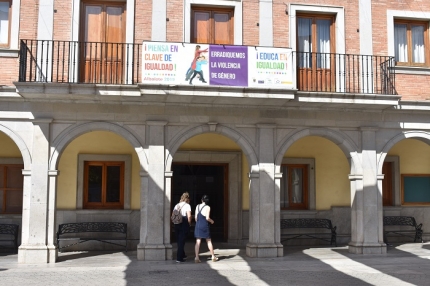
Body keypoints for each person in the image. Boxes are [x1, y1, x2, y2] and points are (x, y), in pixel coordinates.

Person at [194, 194, 218, 262]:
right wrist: (212, 221)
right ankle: (213, 256)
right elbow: (207, 218)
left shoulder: (197, 206)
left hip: (198, 225)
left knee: (198, 241)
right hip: (204, 225)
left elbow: (196, 218)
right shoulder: (208, 207)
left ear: (202, 200)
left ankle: (196, 257)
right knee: (209, 241)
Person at [173, 192, 192, 263]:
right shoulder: (187, 205)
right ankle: (179, 258)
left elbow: (173, 214)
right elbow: (189, 216)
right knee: (182, 240)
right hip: (183, 222)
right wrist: (189, 223)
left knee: (179, 240)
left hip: (176, 223)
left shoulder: (177, 205)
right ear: (187, 199)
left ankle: (182, 254)